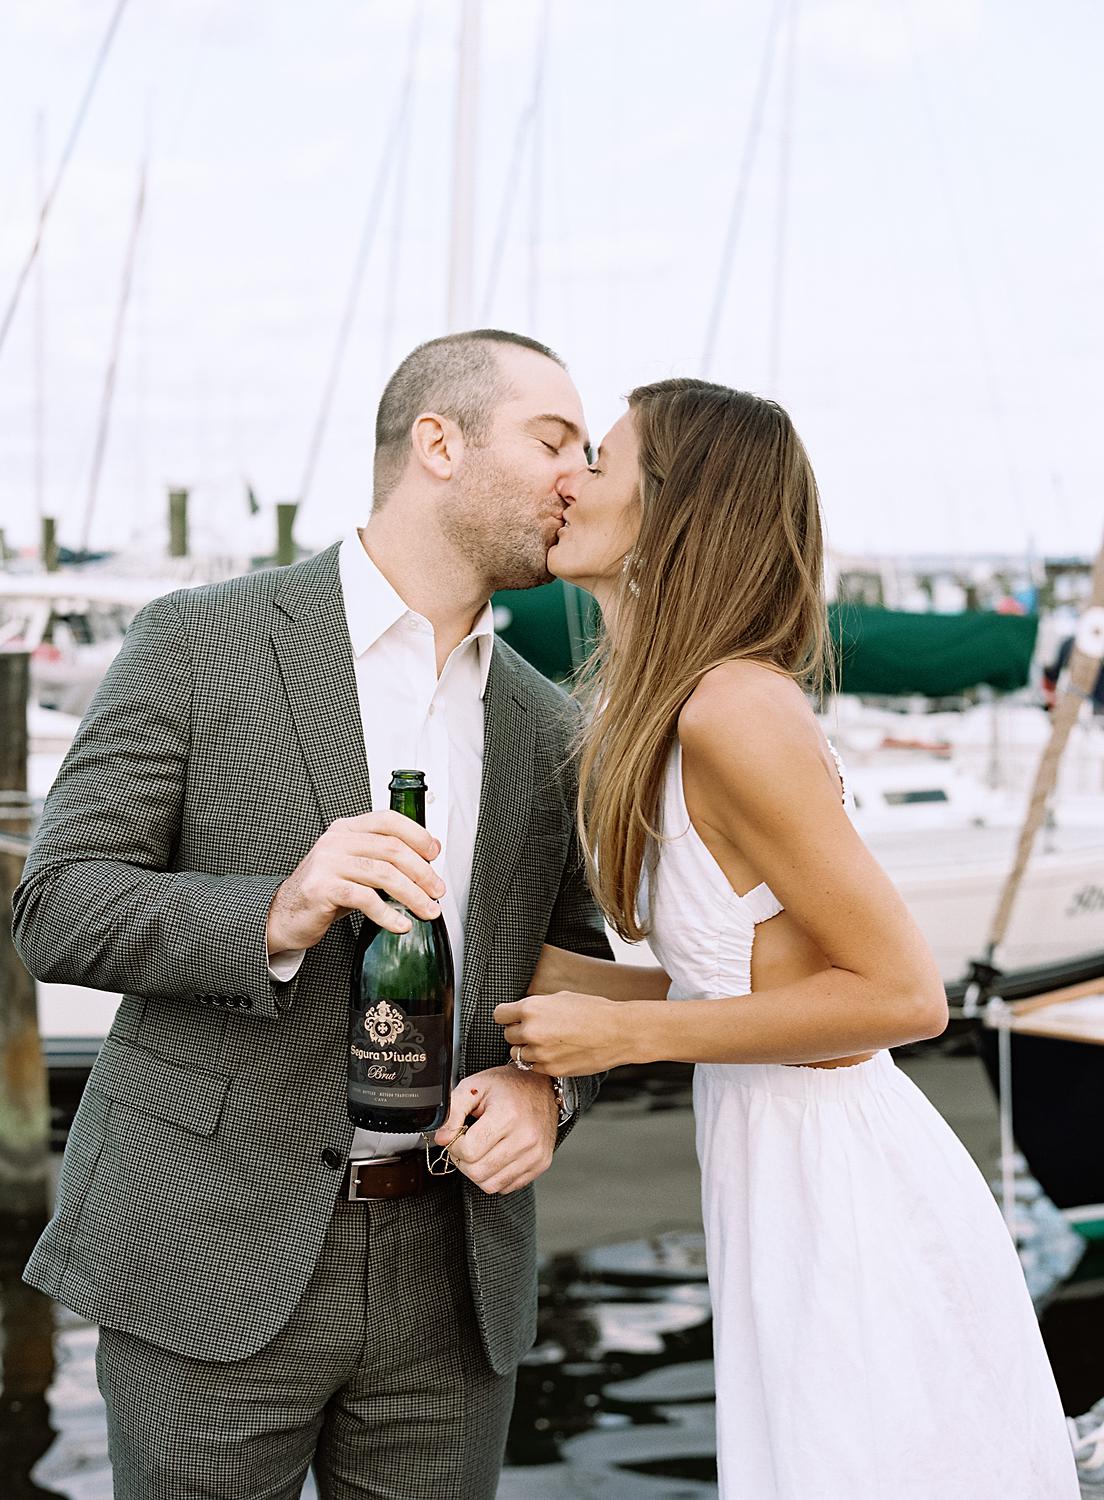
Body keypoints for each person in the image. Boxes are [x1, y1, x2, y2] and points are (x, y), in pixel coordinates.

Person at [14, 329, 612, 1500]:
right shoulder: (200, 641)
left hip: (457, 1276)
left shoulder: (549, 723)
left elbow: (578, 959)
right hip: (207, 1255)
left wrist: (555, 1089)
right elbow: (58, 904)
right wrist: (277, 913)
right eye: (553, 441)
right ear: (438, 443)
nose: (578, 477)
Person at [494, 378, 1080, 1499]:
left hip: (847, 1186)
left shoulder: (734, 710)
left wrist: (617, 1043)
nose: (570, 479)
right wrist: (469, 950)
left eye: (601, 463)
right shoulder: (669, 715)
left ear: (674, 511)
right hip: (773, 1174)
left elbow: (905, 998)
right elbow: (727, 979)